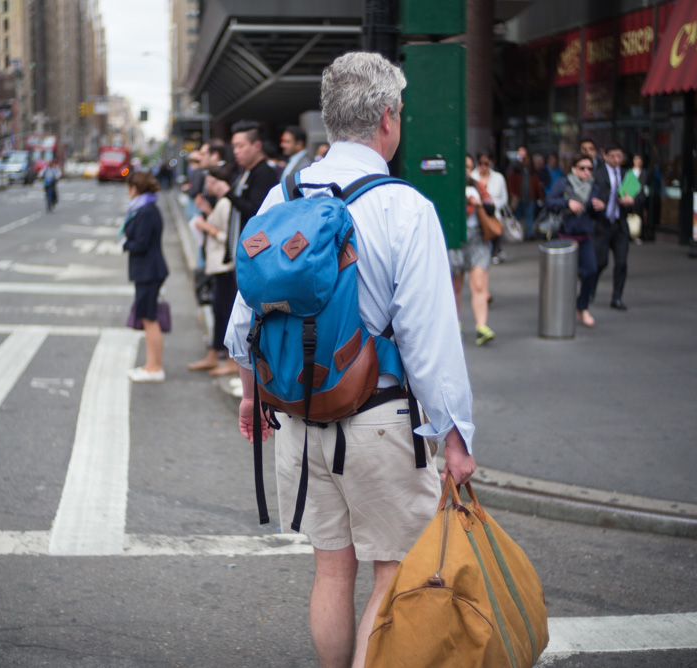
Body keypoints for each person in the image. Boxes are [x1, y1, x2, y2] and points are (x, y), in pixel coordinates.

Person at [225, 51, 476, 668]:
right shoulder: (405, 207)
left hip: (299, 414)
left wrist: (252, 394)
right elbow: (429, 338)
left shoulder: (282, 194)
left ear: (332, 120)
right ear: (388, 118)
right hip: (380, 421)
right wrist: (455, 438)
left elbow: (243, 321)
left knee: (331, 575)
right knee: (391, 577)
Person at [187, 162, 239, 376]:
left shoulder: (226, 203)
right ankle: (213, 354)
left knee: (225, 311)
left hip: (225, 265)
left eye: (210, 181)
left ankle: (229, 359)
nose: (206, 184)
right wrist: (207, 213)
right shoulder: (220, 202)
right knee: (219, 310)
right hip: (218, 264)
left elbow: (229, 237)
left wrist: (205, 225)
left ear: (220, 183)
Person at [205, 120, 278, 262]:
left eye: (240, 146)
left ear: (257, 146)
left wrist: (228, 193)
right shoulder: (246, 171)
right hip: (243, 253)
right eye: (234, 146)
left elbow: (255, 211)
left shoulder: (264, 173)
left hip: (255, 255)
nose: (235, 151)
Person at [122, 171, 169, 382]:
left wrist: (125, 244)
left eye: (129, 188)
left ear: (135, 188)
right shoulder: (146, 208)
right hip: (148, 270)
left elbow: (141, 243)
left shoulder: (146, 211)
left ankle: (155, 367)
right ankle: (150, 365)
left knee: (150, 318)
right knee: (148, 317)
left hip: (149, 270)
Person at [546, 154, 603, 327]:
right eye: (582, 168)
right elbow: (549, 202)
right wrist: (567, 203)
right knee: (563, 278)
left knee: (591, 271)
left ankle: (582, 307)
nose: (586, 172)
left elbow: (594, 214)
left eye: (589, 169)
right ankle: (558, 311)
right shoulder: (564, 183)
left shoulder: (594, 187)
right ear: (573, 169)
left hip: (584, 237)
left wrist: (600, 208)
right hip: (565, 237)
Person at [452, 154, 496, 345]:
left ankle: (481, 327)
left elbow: (492, 209)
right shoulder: (450, 186)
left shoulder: (478, 186)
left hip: (477, 238)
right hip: (456, 239)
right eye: (463, 167)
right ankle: (456, 325)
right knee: (456, 286)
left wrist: (479, 204)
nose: (466, 171)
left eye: (469, 167)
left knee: (478, 284)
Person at [591, 143, 641, 311]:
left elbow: (640, 195)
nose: (616, 160)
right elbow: (589, 194)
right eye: (613, 156)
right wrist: (594, 204)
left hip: (620, 225)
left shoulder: (627, 174)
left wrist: (632, 201)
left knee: (621, 263)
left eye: (619, 156)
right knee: (600, 262)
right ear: (605, 156)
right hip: (602, 224)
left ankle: (617, 297)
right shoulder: (597, 174)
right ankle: (590, 289)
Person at [507, 146, 544, 239]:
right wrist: (512, 194)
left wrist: (541, 198)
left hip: (529, 199)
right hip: (518, 198)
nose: (526, 162)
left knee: (529, 218)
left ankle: (529, 235)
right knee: (517, 218)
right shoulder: (516, 171)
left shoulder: (532, 173)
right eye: (525, 160)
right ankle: (518, 234)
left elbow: (537, 187)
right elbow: (510, 183)